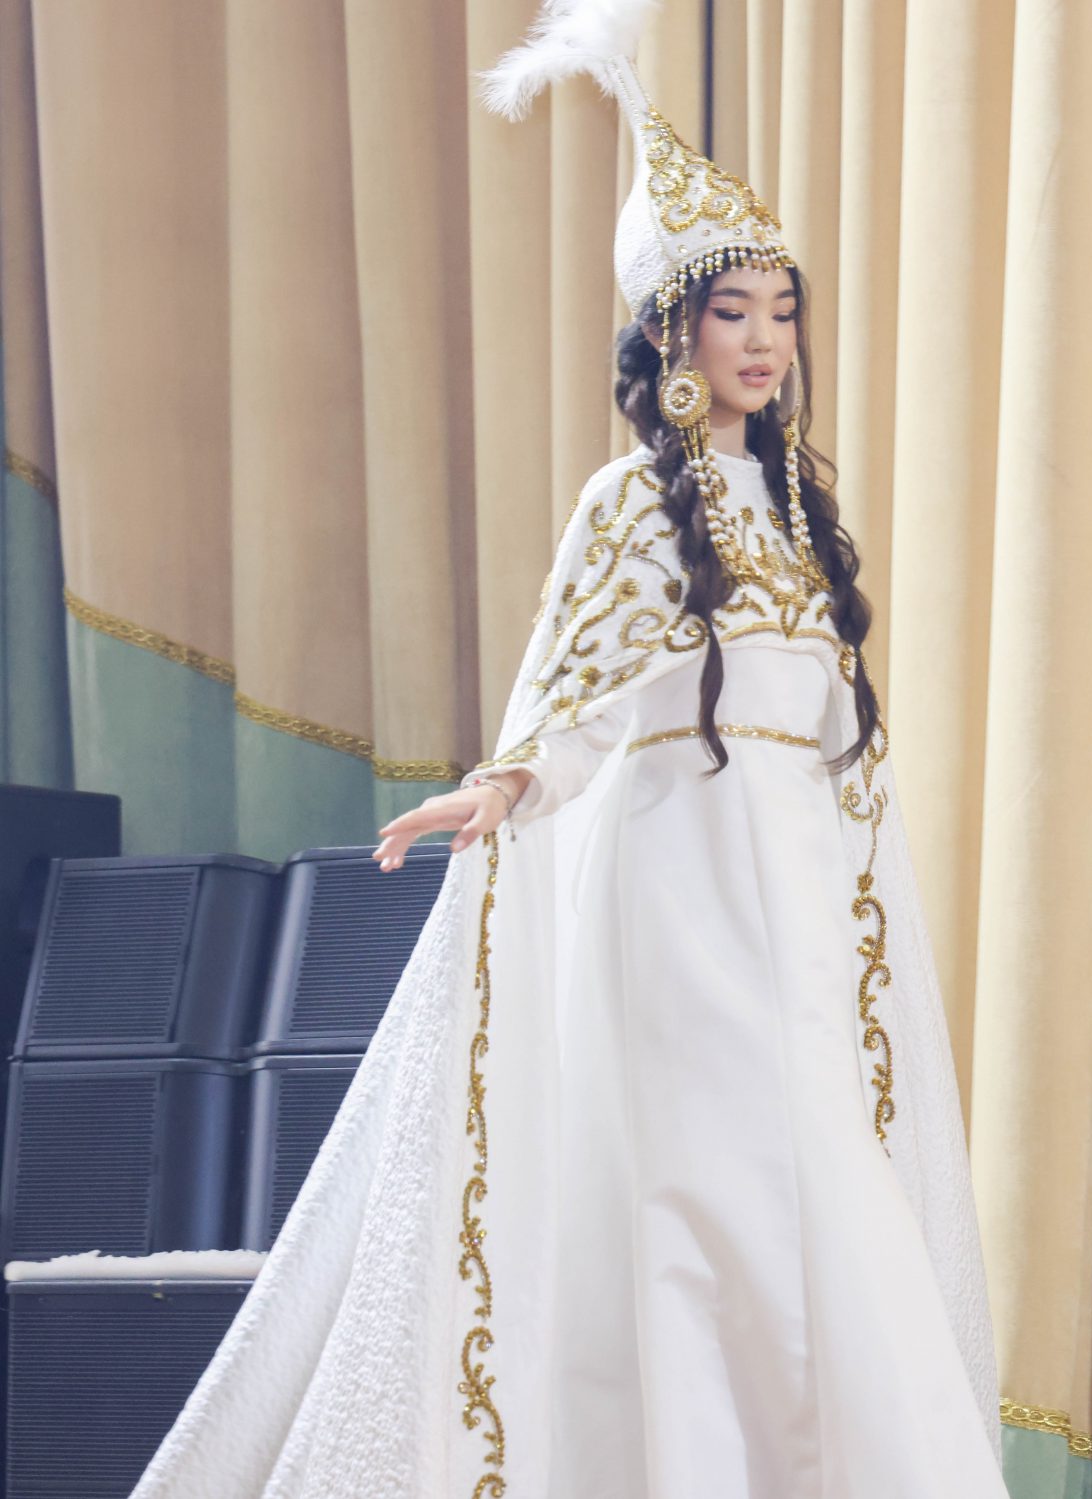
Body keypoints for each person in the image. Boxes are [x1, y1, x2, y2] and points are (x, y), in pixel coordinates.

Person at [128, 4, 1008, 1495]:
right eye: (734, 314)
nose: (765, 342)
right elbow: (573, 699)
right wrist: (500, 787)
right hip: (674, 888)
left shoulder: (804, 509)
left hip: (800, 894)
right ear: (672, 331)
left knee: (823, 1192)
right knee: (696, 1197)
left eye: (782, 313)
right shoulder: (629, 504)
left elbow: (834, 743)